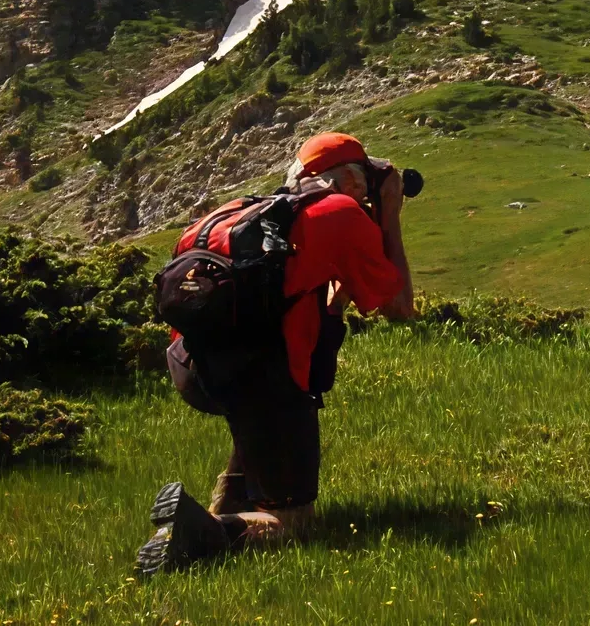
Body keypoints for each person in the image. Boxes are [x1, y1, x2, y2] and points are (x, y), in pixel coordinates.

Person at [137, 132, 415, 575]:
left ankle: (206, 518)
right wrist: (391, 217)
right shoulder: (341, 212)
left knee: (260, 433)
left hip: (198, 368)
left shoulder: (243, 213)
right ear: (351, 181)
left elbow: (298, 299)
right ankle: (194, 536)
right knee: (292, 521)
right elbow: (399, 307)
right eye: (365, 182)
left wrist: (338, 300)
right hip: (263, 379)